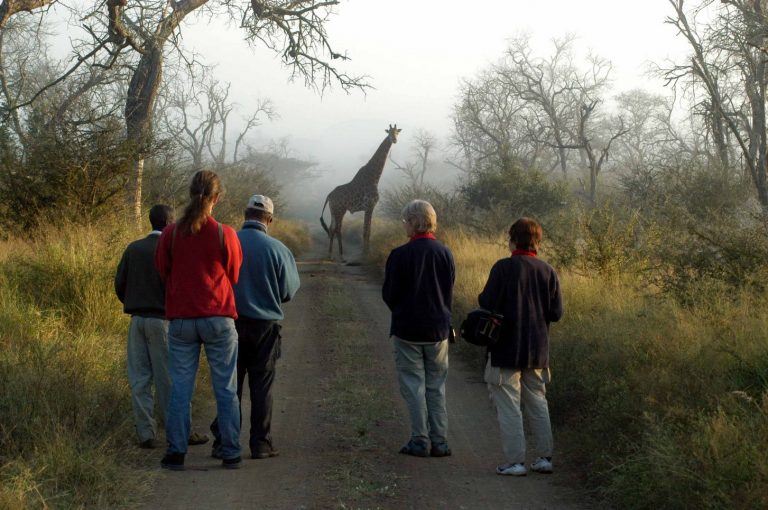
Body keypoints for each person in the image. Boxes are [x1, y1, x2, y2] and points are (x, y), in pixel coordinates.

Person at [154, 170, 244, 470]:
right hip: (218, 319)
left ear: (189, 193)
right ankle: (230, 452)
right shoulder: (225, 233)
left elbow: (163, 271)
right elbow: (233, 275)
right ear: (216, 198)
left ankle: (176, 452)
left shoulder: (169, 234)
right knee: (226, 389)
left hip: (181, 320)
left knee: (181, 388)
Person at [210, 194, 300, 460]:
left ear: (244, 214)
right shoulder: (279, 249)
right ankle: (260, 443)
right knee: (262, 386)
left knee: (230, 385)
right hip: (265, 328)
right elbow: (288, 292)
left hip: (229, 324)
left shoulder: (225, 242)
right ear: (269, 219)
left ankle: (223, 442)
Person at [115, 205, 211, 450]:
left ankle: (146, 433)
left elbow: (120, 285)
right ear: (170, 221)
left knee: (140, 380)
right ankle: (180, 431)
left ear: (150, 221)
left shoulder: (133, 248)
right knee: (170, 379)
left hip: (137, 321)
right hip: (164, 322)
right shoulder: (173, 248)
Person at [478, 217, 563, 476]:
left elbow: (486, 301)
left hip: (505, 347)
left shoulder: (503, 268)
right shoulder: (548, 271)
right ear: (537, 241)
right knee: (538, 402)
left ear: (513, 239)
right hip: (537, 349)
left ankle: (515, 462)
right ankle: (544, 458)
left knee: (509, 405)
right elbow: (556, 313)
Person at [382, 199, 455, 458]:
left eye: (406, 221)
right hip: (438, 331)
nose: (405, 226)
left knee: (414, 386)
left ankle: (419, 440)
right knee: (436, 386)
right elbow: (448, 291)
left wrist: (403, 310)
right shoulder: (445, 252)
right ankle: (440, 441)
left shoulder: (399, 255)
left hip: (408, 330)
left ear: (414, 222)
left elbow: (389, 294)